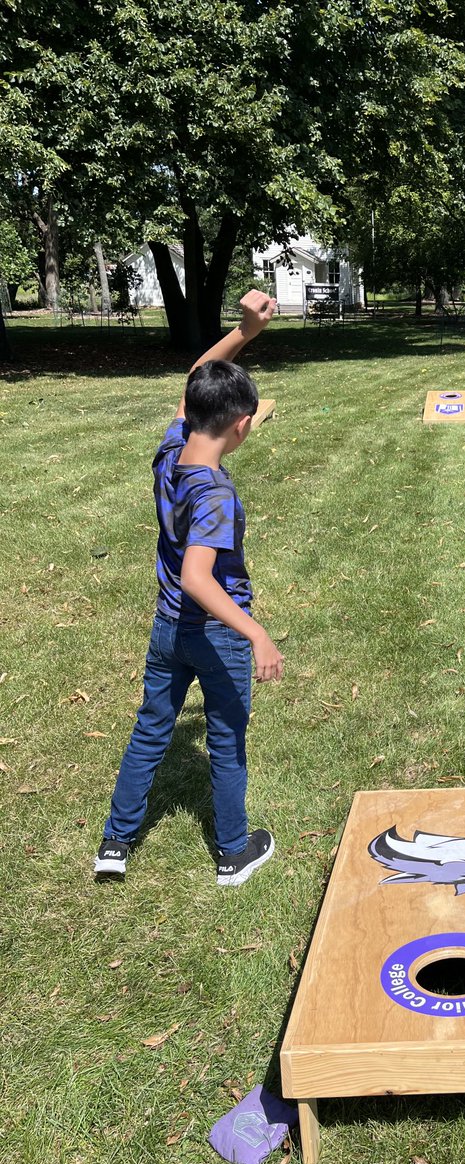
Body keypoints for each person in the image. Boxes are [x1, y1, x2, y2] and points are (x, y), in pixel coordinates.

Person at [94, 290, 285, 887]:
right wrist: (255, 633)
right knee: (227, 741)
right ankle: (232, 852)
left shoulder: (170, 452)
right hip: (215, 634)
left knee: (152, 726)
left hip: (167, 628)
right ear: (241, 425)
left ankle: (115, 843)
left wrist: (244, 331)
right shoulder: (216, 496)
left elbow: (191, 381)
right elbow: (198, 576)